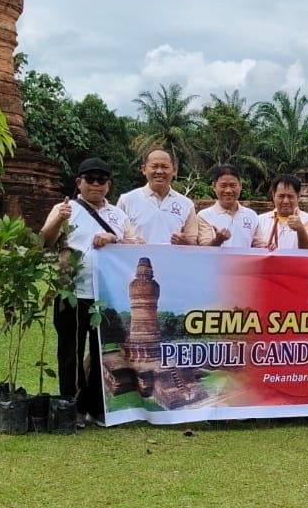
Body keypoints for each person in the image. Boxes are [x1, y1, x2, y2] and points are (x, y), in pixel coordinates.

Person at [40, 157, 139, 425]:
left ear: (109, 185)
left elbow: (136, 245)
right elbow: (44, 242)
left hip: (106, 296)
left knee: (102, 353)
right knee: (69, 351)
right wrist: (58, 221)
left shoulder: (118, 215)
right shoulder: (66, 208)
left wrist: (113, 237)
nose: (96, 185)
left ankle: (96, 407)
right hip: (71, 292)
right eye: (90, 179)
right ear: (79, 182)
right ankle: (71, 406)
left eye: (101, 180)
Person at [116, 149, 198, 245]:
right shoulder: (127, 200)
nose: (159, 171)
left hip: (172, 259)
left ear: (174, 170)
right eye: (154, 166)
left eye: (165, 167)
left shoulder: (186, 204)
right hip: (137, 259)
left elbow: (194, 242)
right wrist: (131, 242)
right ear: (144, 169)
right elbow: (116, 236)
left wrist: (185, 241)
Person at [197, 164, 259, 248]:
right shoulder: (204, 216)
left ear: (240, 186)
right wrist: (218, 240)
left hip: (245, 262)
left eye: (233, 185)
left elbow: (259, 245)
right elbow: (204, 248)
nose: (228, 190)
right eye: (223, 186)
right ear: (214, 186)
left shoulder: (252, 215)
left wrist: (269, 247)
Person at [252, 173, 308, 249]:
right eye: (281, 196)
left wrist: (301, 230)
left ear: (298, 196)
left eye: (290, 196)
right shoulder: (259, 220)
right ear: (273, 195)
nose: (286, 201)